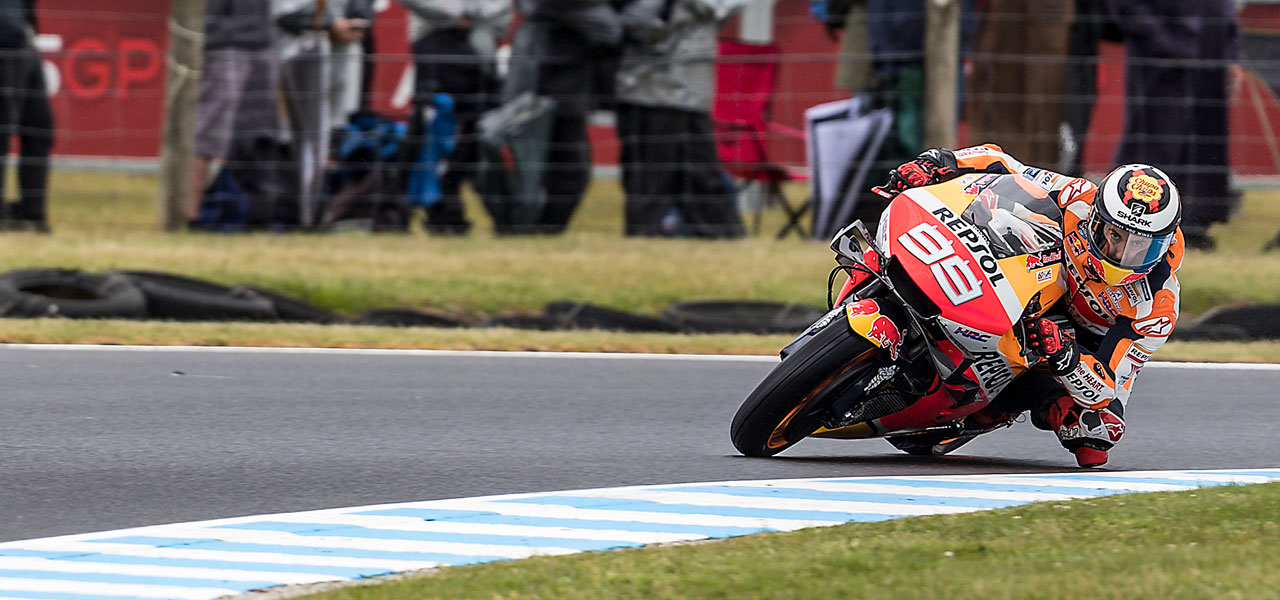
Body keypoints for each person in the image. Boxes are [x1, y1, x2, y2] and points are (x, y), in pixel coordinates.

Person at [877, 144, 1184, 467]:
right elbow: (1004, 163)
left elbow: (1106, 386)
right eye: (1115, 235)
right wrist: (940, 161)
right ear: (1097, 216)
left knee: (1097, 434)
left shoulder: (1157, 305)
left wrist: (1068, 357)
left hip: (1082, 345)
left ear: (1164, 245)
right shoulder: (1077, 196)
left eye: (1141, 246)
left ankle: (999, 404)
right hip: (1037, 280)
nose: (1122, 254)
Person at [1105, 0, 1239, 250]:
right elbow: (1126, 6)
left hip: (1210, 54)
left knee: (1204, 143)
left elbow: (1225, 8)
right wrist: (1161, 40)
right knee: (1156, 141)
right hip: (1159, 60)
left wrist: (1230, 54)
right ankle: (1138, 220)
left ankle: (1196, 224)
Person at [614, 0, 748, 238]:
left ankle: (722, 240)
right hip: (648, 86)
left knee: (702, 175)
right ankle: (644, 241)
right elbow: (635, 23)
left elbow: (724, 8)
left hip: (690, 87)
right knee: (650, 180)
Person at [505, 0, 625, 234]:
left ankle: (535, 228)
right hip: (553, 79)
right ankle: (541, 229)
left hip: (550, 76)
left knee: (548, 164)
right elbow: (610, 31)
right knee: (566, 166)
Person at [401, 0, 513, 235]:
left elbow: (502, 8)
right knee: (435, 134)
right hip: (437, 45)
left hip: (483, 50)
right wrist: (457, 13)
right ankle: (431, 212)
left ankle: (501, 216)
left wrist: (473, 13)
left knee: (477, 138)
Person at [273, 0, 370, 227]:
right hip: (294, 53)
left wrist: (357, 21)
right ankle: (292, 215)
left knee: (332, 138)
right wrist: (329, 25)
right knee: (293, 138)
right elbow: (282, 11)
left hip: (341, 57)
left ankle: (319, 213)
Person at [189, 0, 279, 227]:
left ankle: (250, 212)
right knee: (208, 132)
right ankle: (189, 214)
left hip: (262, 40)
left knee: (259, 135)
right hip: (222, 42)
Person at [0, 0, 51, 233]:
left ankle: (32, 215)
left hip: (24, 39)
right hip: (4, 42)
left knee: (40, 129)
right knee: (2, 132)